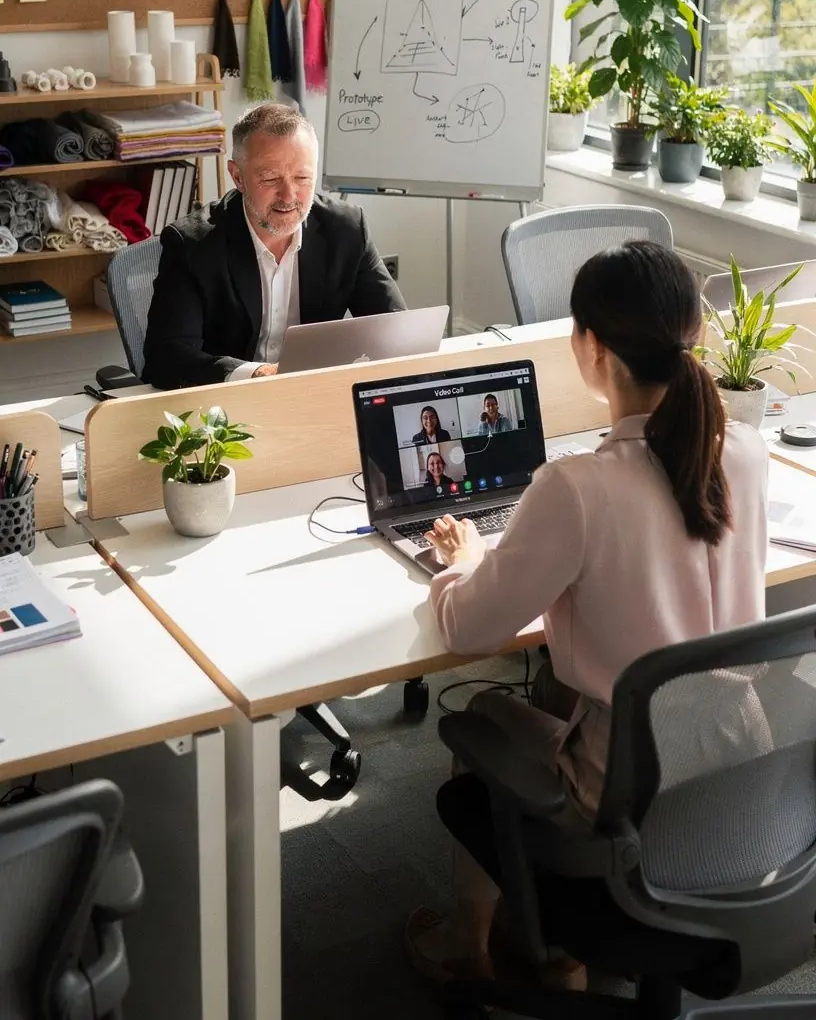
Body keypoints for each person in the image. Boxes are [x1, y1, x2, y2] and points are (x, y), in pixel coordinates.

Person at [406, 241, 769, 986]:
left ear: (591, 347)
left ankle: (468, 945)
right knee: (557, 693)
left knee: (486, 712)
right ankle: (566, 952)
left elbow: (470, 631)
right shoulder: (749, 454)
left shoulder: (575, 486)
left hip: (626, 797)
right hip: (744, 775)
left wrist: (462, 566)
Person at [143, 103, 405, 390]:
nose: (288, 195)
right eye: (270, 178)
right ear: (238, 177)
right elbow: (165, 359)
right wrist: (256, 374)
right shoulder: (193, 245)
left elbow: (395, 333)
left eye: (302, 178)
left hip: (315, 395)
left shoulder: (347, 230)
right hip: (228, 406)